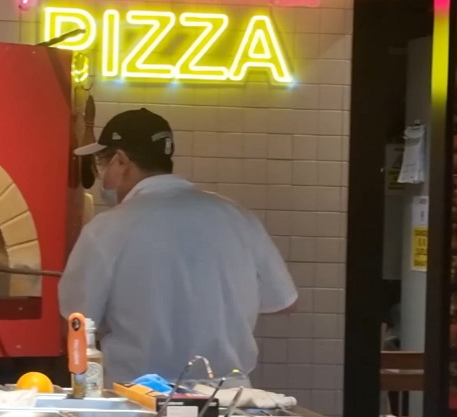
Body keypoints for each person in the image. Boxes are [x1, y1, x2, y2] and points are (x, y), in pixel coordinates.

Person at [58, 108, 298, 387]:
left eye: (102, 164)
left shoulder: (106, 229)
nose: (103, 178)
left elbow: (76, 322)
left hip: (139, 401)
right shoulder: (237, 217)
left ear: (121, 161)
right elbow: (285, 302)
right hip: (226, 402)